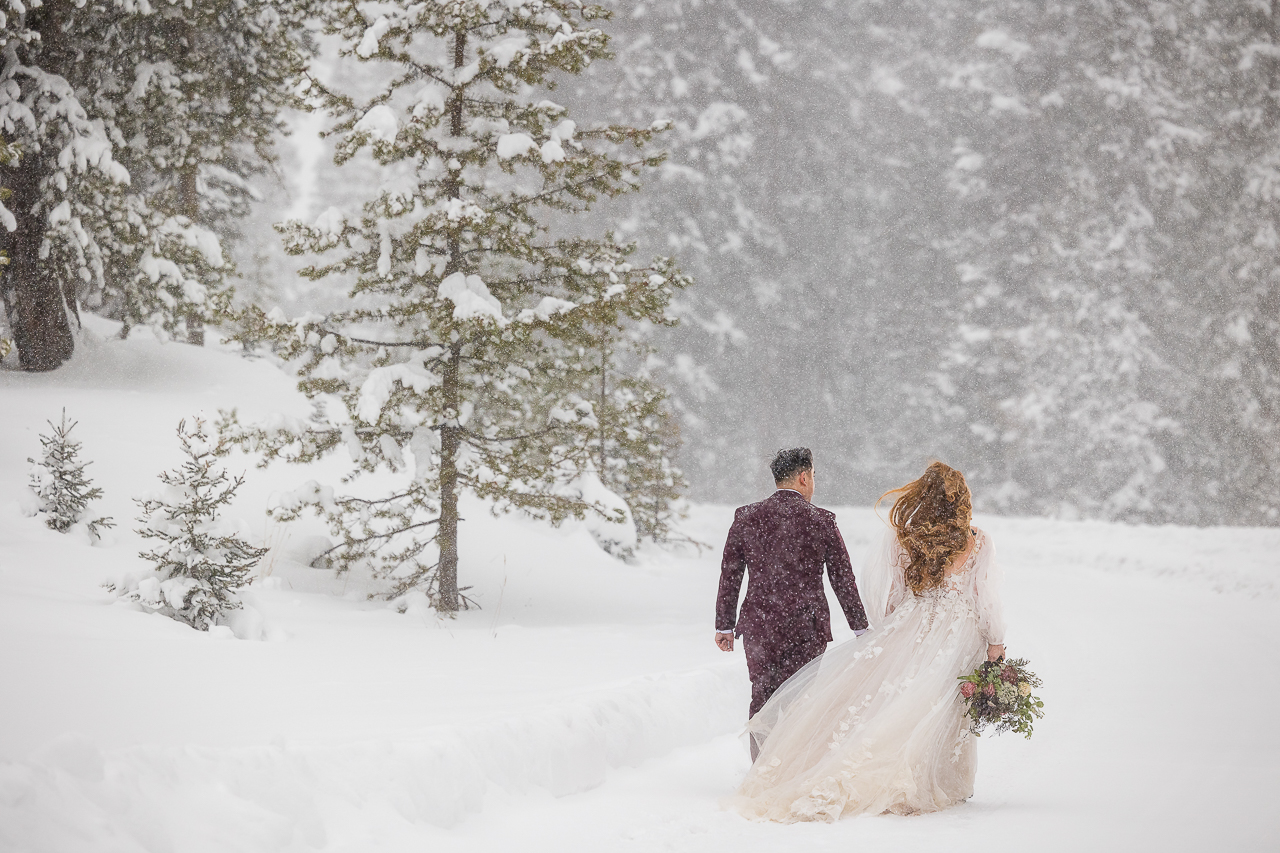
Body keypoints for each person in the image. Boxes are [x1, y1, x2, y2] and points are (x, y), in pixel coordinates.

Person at [726, 461, 1007, 821]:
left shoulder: (904, 535)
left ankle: (873, 768)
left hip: (912, 620)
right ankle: (935, 777)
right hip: (959, 630)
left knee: (900, 697)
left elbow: (887, 592)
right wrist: (995, 640)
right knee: (941, 701)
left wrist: (896, 622)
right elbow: (986, 596)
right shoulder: (977, 540)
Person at [714, 448, 870, 759]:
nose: (814, 483)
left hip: (760, 625)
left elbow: (730, 573)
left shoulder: (747, 517)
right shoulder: (821, 520)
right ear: (803, 477)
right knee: (802, 698)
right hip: (806, 626)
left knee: (762, 695)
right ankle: (793, 768)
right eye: (814, 476)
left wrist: (724, 624)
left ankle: (761, 769)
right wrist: (861, 628)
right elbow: (842, 578)